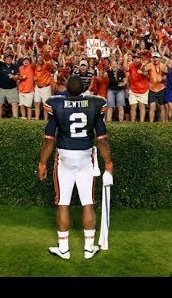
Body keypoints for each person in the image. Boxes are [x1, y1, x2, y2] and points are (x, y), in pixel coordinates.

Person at [38, 75, 113, 260]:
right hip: (86, 157)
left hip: (64, 157)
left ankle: (64, 248)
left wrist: (42, 163)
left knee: (63, 202)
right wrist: (109, 163)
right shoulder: (95, 104)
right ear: (83, 90)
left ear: (66, 90)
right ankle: (88, 248)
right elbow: (102, 139)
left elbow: (49, 139)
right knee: (87, 201)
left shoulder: (56, 104)